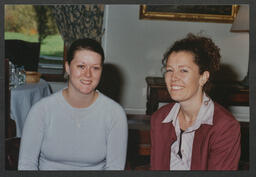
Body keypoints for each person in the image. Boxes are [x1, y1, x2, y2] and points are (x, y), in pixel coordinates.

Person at [18, 38, 128, 170]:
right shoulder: (41, 111)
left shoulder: (115, 114)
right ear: (67, 67)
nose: (88, 74)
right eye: (81, 66)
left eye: (95, 68)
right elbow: (26, 165)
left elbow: (115, 168)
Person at [150, 33, 241, 170]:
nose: (173, 77)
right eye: (169, 70)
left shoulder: (225, 127)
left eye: (183, 70)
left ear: (203, 77)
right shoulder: (159, 118)